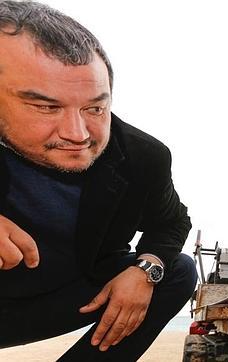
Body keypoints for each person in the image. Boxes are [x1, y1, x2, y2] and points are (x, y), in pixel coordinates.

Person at [0, 2, 197, 361]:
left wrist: (144, 270)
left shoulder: (143, 156)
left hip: (70, 295)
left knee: (177, 271)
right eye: (46, 107)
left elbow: (171, 222)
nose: (78, 134)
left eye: (95, 108)